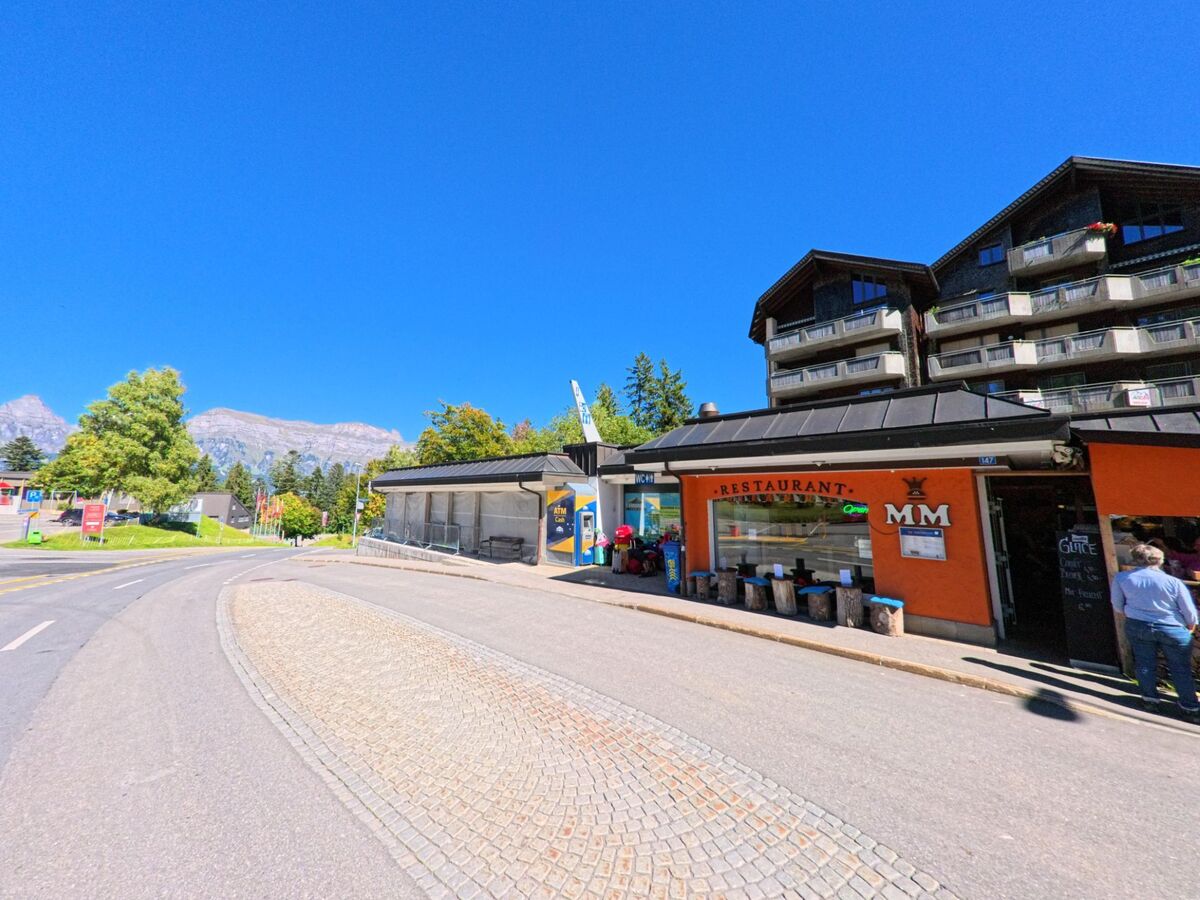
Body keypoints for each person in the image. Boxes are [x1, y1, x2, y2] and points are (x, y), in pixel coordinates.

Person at [1111, 543, 1199, 718]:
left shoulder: (1122, 578)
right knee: (1180, 668)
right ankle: (1190, 706)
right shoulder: (1173, 582)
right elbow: (1189, 610)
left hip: (1138, 624)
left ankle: (1149, 699)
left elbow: (1117, 605)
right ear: (1160, 561)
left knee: (1144, 663)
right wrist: (1191, 624)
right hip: (1171, 626)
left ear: (1136, 559)